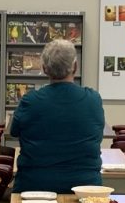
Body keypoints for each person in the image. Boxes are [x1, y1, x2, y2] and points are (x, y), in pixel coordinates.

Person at [11, 39, 104, 193]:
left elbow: (14, 132)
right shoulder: (93, 99)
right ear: (75, 66)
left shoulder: (30, 101)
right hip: (86, 190)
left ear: (44, 68)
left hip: (34, 188)